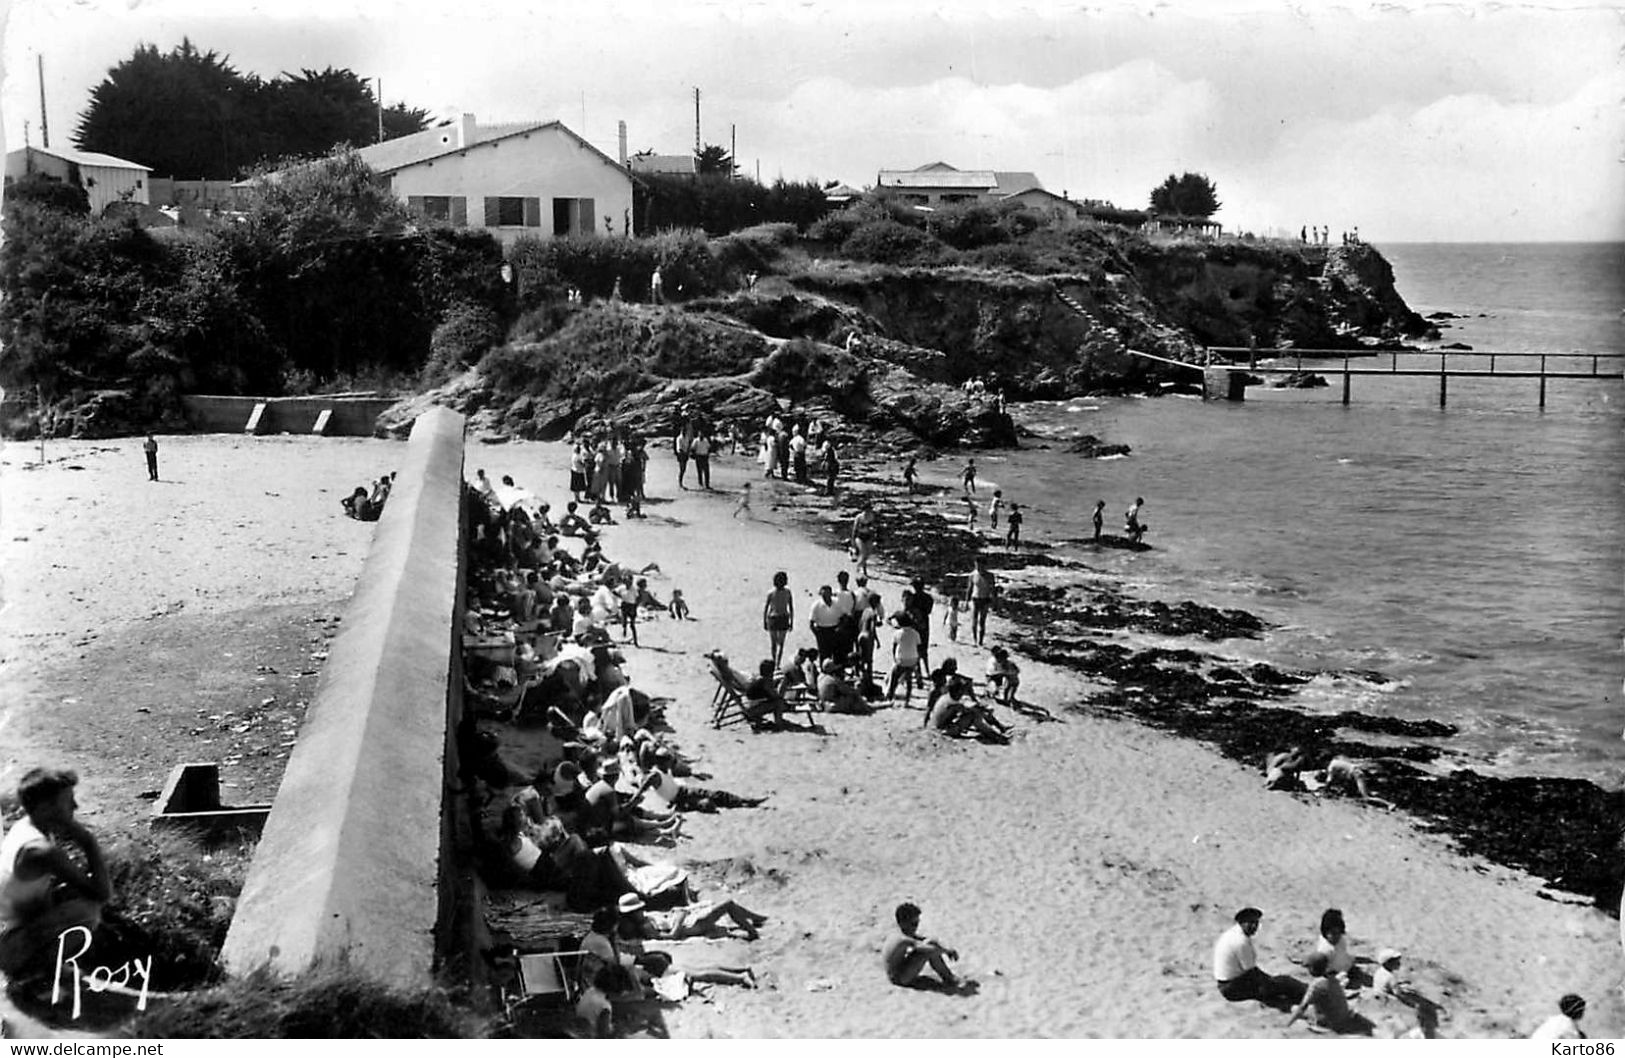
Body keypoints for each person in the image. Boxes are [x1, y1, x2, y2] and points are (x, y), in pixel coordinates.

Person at [0, 767, 114, 980]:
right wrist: (89, 842)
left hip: (10, 932)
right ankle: (36, 973)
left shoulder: (24, 826)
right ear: (45, 807)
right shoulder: (41, 850)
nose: (75, 806)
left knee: (68, 892)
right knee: (88, 911)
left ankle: (44, 966)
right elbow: (103, 893)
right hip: (10, 948)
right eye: (68, 800)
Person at [1213, 907, 1302, 1005]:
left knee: (1279, 983)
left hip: (1227, 984)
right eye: (1250, 923)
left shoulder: (1232, 934)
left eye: (1256, 923)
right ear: (1242, 923)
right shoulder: (1240, 941)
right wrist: (1271, 982)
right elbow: (1251, 972)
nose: (1254, 926)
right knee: (1284, 983)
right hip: (1232, 988)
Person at [617, 892, 767, 943]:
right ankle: (752, 931)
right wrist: (679, 918)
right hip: (691, 925)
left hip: (685, 919)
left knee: (725, 905)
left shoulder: (645, 919)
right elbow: (672, 936)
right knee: (728, 904)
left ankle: (755, 918)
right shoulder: (646, 927)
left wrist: (675, 913)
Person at [882, 902, 961, 990]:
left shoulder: (901, 931)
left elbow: (923, 939)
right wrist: (947, 951)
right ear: (904, 923)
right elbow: (927, 948)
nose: (916, 927)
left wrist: (941, 946)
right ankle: (948, 978)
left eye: (917, 923)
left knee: (930, 943)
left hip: (900, 968)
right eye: (914, 924)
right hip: (898, 978)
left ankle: (949, 977)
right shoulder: (902, 939)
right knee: (928, 952)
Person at [1286, 952, 1369, 1034]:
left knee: (1294, 1009)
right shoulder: (1333, 978)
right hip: (1344, 1017)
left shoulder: (1316, 985)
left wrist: (1287, 1025)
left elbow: (1302, 1007)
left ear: (1312, 969)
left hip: (1330, 1024)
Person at [885, 614, 921, 704]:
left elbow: (894, 647)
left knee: (894, 676)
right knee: (909, 679)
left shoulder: (898, 633)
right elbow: (919, 647)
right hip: (913, 659)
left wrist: (895, 658)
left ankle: (890, 694)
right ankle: (907, 699)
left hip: (901, 660)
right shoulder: (915, 633)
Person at [763, 571, 794, 669]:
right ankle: (777, 663)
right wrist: (791, 622)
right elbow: (791, 608)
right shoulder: (787, 592)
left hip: (773, 618)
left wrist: (764, 621)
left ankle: (775, 662)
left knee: (774, 643)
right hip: (783, 618)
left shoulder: (771, 593)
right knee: (780, 643)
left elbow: (766, 608)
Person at [967, 556, 996, 647]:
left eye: (980, 565)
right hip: (975, 598)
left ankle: (981, 640)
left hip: (985, 599)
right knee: (974, 621)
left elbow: (993, 589)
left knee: (982, 621)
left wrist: (994, 601)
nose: (978, 567)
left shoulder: (990, 576)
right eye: (976, 565)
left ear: (984, 565)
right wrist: (966, 601)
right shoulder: (972, 575)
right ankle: (975, 640)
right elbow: (969, 588)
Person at [850, 503, 877, 579]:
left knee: (867, 554)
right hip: (860, 536)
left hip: (868, 536)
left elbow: (874, 526)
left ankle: (863, 568)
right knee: (863, 552)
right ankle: (859, 568)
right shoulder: (859, 517)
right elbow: (854, 529)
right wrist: (853, 540)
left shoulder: (872, 517)